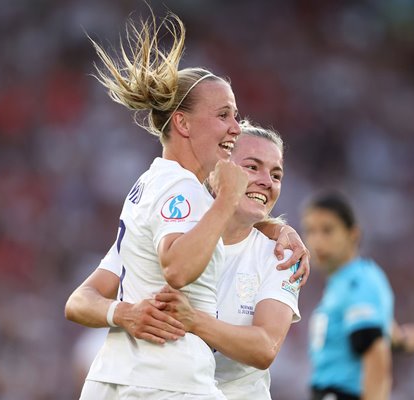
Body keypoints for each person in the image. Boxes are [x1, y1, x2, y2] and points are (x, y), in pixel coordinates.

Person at [64, 12, 308, 400]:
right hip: (165, 382)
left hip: (123, 379)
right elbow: (176, 268)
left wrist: (273, 225)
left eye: (275, 174)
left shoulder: (155, 185)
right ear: (183, 123)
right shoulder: (184, 190)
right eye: (224, 115)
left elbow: (265, 348)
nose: (234, 127)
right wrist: (227, 199)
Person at [156, 121, 301, 400]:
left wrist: (193, 320)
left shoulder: (284, 255)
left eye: (276, 175)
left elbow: (265, 348)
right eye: (252, 166)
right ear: (218, 168)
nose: (266, 181)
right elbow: (86, 299)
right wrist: (121, 314)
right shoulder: (170, 231)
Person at [302, 192, 414, 400]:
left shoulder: (359, 282)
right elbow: (375, 327)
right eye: (311, 231)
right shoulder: (342, 283)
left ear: (353, 234)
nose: (317, 241)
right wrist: (402, 341)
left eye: (327, 230)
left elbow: (374, 352)